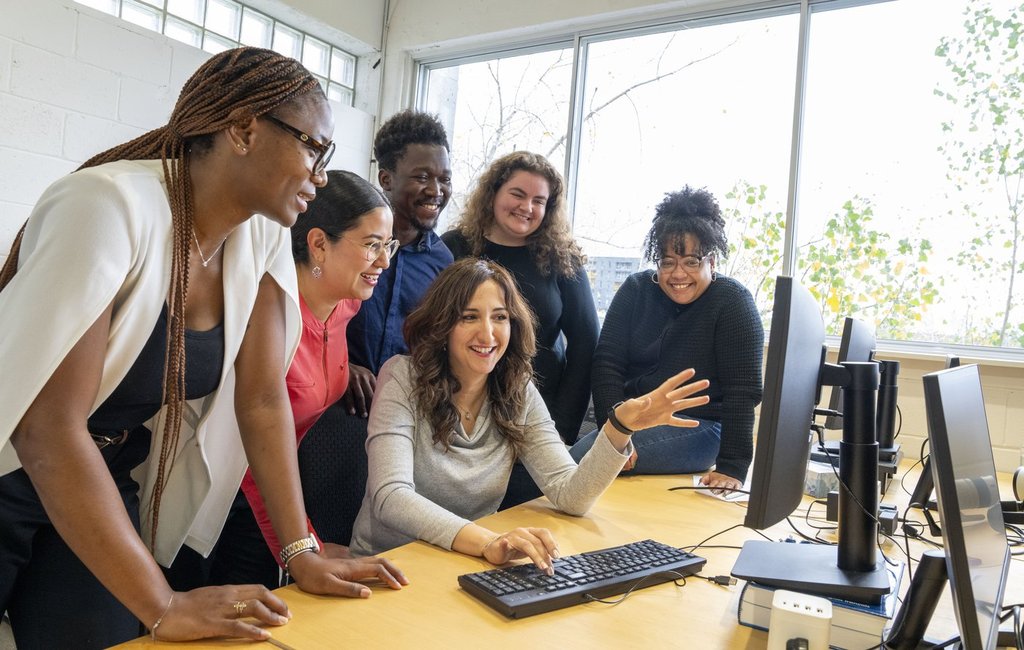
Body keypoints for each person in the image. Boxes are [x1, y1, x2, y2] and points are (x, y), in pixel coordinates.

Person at [0, 48, 401, 649]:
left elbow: (262, 399)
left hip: (100, 476)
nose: (321, 176)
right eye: (313, 148)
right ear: (242, 129)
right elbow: (47, 428)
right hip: (14, 468)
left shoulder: (260, 234)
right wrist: (162, 603)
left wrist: (301, 554)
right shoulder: (107, 206)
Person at [348, 258, 710, 569]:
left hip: (461, 562)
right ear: (443, 325)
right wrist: (488, 541)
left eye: (500, 317)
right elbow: (390, 497)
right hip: (389, 566)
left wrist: (620, 428)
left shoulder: (516, 389)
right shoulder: (401, 376)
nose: (487, 333)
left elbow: (571, 494)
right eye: (469, 317)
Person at [161, 170, 407, 591]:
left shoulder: (345, 305)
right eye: (372, 245)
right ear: (317, 244)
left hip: (272, 501)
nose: (385, 261)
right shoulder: (268, 304)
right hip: (211, 497)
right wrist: (301, 545)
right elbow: (254, 438)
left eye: (389, 245)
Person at [570, 186, 764, 493]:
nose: (678, 274)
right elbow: (607, 363)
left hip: (697, 426)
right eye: (667, 261)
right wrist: (619, 426)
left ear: (711, 262)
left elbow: (743, 390)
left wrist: (732, 466)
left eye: (691, 261)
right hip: (628, 416)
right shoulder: (635, 289)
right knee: (560, 456)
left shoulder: (732, 301)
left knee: (583, 460)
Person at [442, 151, 599, 445]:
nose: (527, 207)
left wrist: (562, 427)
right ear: (493, 193)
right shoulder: (454, 247)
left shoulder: (563, 259)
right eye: (517, 194)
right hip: (459, 408)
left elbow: (587, 344)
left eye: (539, 201)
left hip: (538, 414)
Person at [343, 110, 454, 418]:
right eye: (422, 177)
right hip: (334, 402)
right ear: (386, 179)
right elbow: (309, 317)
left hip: (400, 416)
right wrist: (342, 366)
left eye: (444, 179)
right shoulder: (345, 237)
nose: (436, 190)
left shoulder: (442, 261)